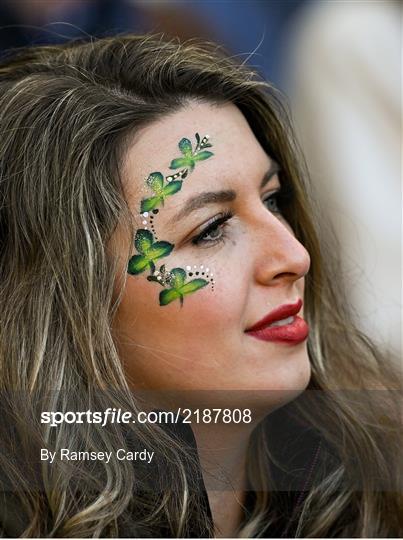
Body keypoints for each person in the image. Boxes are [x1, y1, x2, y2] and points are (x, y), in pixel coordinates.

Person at [0, 34, 400, 538]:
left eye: (274, 200)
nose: (295, 257)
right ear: (64, 303)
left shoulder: (379, 492)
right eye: (210, 229)